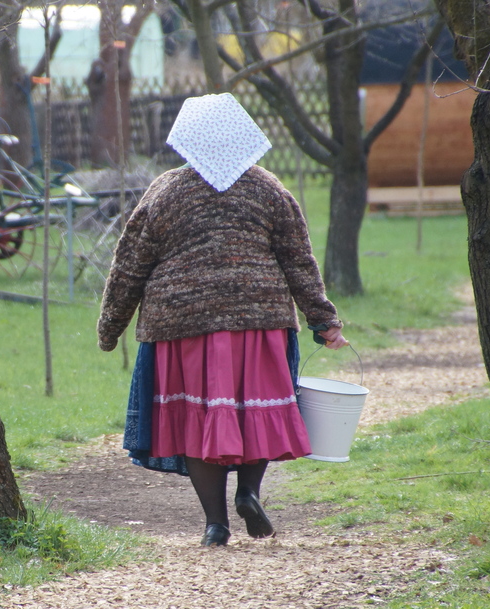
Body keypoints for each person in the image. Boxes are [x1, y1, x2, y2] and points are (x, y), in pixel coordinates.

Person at [97, 93, 347, 547]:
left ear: (185, 143)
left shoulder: (166, 191)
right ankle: (249, 492)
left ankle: (216, 523)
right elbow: (299, 261)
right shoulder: (270, 189)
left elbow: (130, 264)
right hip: (260, 321)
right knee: (257, 410)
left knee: (198, 418)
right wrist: (323, 319)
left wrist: (110, 326)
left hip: (181, 326)